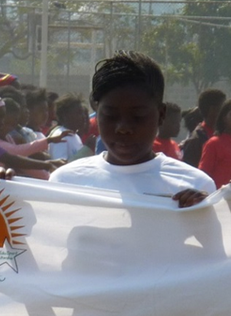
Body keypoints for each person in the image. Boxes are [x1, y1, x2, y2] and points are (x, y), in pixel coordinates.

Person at [50, 51, 214, 208]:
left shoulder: (195, 186)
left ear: (161, 115)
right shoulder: (65, 183)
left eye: (138, 116)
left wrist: (200, 215)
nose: (123, 128)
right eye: (110, 116)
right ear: (97, 114)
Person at [0, 90, 63, 175]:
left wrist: (49, 163)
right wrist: (47, 165)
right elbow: (10, 159)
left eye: (3, 117)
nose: (1, 122)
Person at [181, 88, 225, 167]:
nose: (226, 113)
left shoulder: (223, 134)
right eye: (223, 108)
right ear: (213, 110)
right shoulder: (196, 140)